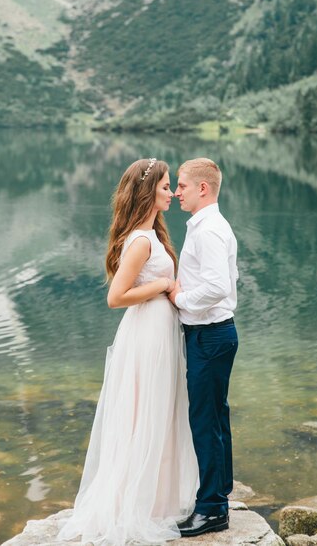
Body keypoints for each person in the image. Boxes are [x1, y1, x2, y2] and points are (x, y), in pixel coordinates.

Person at [58, 158, 198, 546]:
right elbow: (116, 297)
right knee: (145, 412)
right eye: (166, 186)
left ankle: (155, 499)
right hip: (147, 335)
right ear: (148, 191)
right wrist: (162, 286)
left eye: (172, 187)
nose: (172, 193)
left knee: (160, 412)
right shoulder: (140, 240)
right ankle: (134, 503)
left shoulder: (152, 235)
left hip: (160, 330)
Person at [168, 157, 239, 538]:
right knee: (215, 417)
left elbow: (218, 287)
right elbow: (231, 276)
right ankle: (220, 496)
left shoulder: (208, 230)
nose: (177, 192)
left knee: (205, 420)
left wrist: (180, 298)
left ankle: (211, 508)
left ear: (202, 188)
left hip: (210, 335)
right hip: (215, 333)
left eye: (181, 185)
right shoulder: (210, 226)